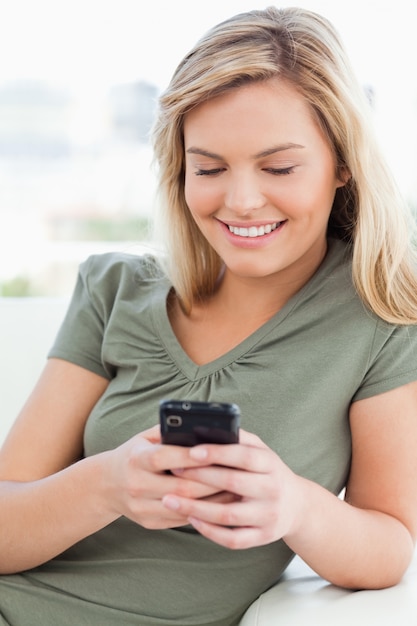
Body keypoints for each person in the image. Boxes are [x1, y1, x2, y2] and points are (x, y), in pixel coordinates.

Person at [1, 6, 417, 626]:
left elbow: (389, 547)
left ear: (343, 163)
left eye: (279, 167)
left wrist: (294, 507)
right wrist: (109, 484)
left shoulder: (383, 319)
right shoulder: (114, 289)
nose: (241, 200)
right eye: (209, 168)